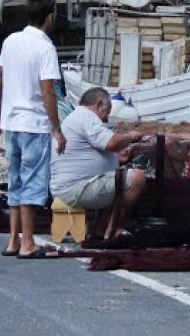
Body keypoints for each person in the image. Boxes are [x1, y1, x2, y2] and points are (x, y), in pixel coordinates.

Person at [0, 0, 64, 259]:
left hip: (11, 122)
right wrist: (57, 129)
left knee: (15, 180)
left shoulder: (11, 41)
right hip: (34, 123)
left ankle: (13, 240)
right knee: (33, 182)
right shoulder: (45, 48)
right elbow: (48, 92)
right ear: (49, 17)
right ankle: (28, 242)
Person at [49, 87, 147, 240]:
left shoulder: (76, 117)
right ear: (99, 103)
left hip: (68, 186)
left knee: (117, 176)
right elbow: (111, 143)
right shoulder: (86, 117)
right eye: (106, 113)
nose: (106, 120)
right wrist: (131, 135)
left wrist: (115, 159)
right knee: (137, 178)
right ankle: (113, 230)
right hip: (75, 189)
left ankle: (99, 228)